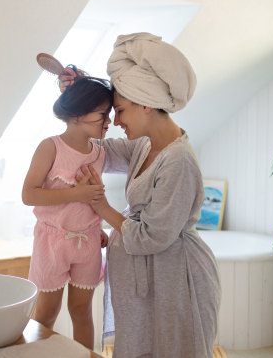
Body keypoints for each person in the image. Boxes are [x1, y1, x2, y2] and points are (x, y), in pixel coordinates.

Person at [59, 33, 221, 358]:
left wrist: (101, 207)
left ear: (145, 103)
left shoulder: (179, 160)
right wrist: (79, 100)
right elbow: (89, 148)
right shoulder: (143, 145)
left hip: (176, 281)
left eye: (119, 110)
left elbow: (150, 237)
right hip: (146, 283)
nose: (115, 122)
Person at [21, 75, 113, 349]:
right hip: (51, 242)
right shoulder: (50, 147)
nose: (109, 122)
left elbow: (93, 198)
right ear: (78, 114)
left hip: (87, 243)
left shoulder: (100, 154)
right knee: (46, 314)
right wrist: (76, 193)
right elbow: (29, 194)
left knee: (82, 313)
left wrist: (97, 227)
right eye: (102, 115)